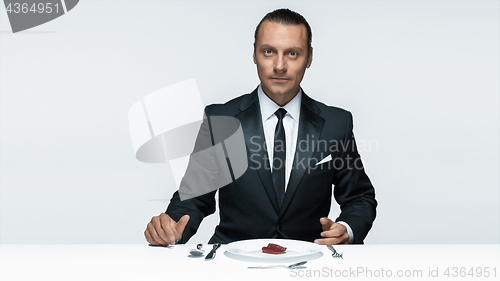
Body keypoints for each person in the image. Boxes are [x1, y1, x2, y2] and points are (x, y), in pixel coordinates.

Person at [145, 8, 377, 246]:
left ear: (309, 58)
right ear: (255, 55)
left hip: (308, 261)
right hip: (233, 264)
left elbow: (360, 197)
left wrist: (347, 229)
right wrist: (169, 226)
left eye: (292, 54)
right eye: (268, 52)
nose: (279, 65)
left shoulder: (336, 124)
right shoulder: (220, 120)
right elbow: (193, 198)